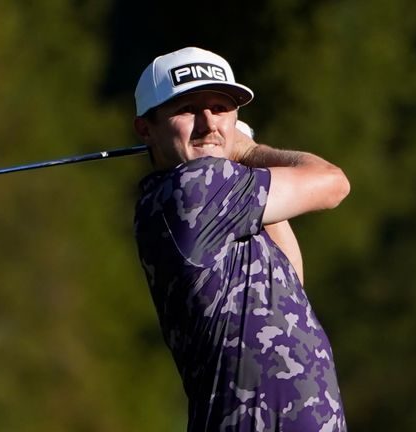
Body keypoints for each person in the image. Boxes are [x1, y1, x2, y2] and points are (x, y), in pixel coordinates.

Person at [132, 47, 350, 431]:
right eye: (187, 109)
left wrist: (234, 157)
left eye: (220, 108)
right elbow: (333, 183)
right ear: (145, 129)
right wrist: (246, 149)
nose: (208, 123)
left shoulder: (219, 202)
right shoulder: (194, 189)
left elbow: (290, 280)